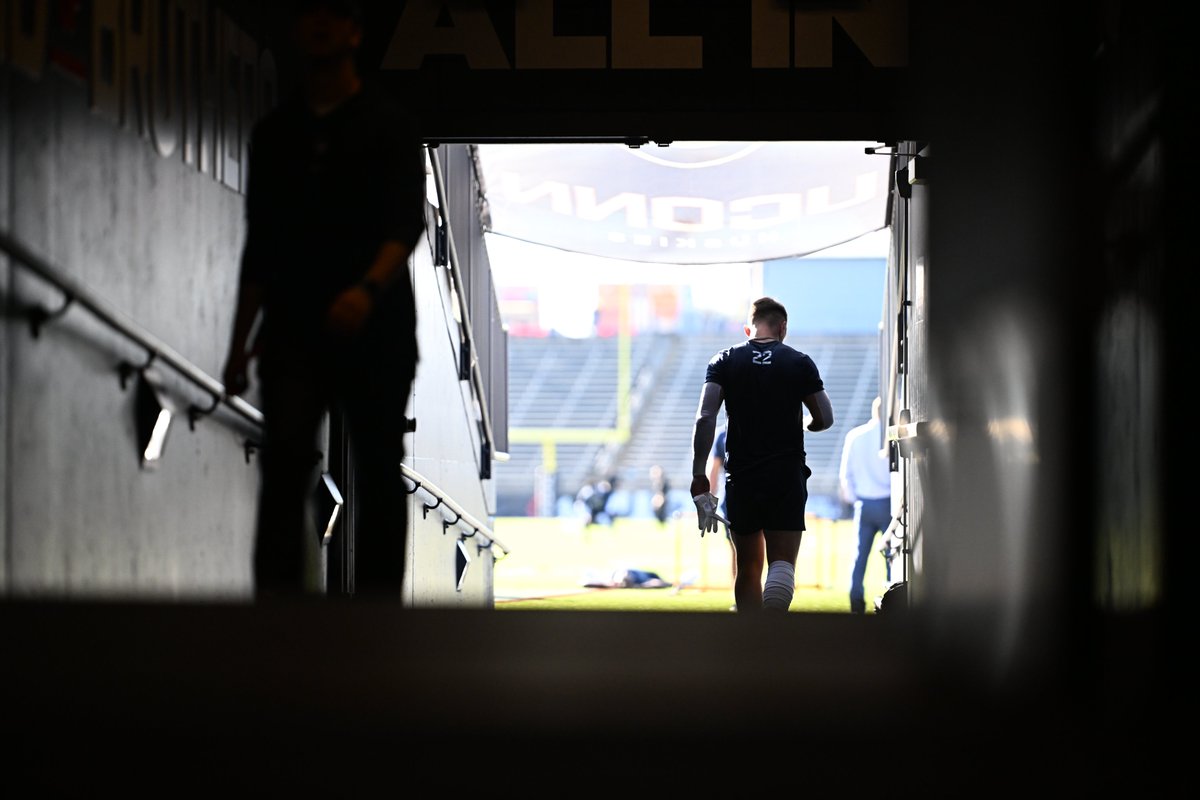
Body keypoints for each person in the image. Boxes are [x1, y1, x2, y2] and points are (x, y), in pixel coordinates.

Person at [221, 0, 426, 599]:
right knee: (283, 469)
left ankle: (378, 618)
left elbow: (404, 224)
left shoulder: (388, 125)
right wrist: (237, 345)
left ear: (355, 32)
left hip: (378, 327)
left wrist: (365, 291)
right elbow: (260, 245)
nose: (318, 22)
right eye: (307, 12)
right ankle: (278, 618)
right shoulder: (276, 135)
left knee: (377, 471)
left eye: (333, 13)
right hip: (292, 326)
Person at [690, 297, 834, 614]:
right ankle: (773, 637)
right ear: (783, 327)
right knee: (782, 564)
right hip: (786, 475)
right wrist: (807, 424)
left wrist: (699, 475)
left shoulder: (724, 360)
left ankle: (749, 643)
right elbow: (825, 417)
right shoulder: (799, 361)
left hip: (742, 478)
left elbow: (705, 417)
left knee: (748, 568)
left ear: (748, 329)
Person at [838, 396, 894, 614]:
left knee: (860, 556)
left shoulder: (855, 436)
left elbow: (845, 474)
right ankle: (892, 596)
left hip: (864, 502)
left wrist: (855, 500)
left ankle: (856, 600)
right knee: (892, 555)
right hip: (888, 502)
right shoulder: (890, 436)